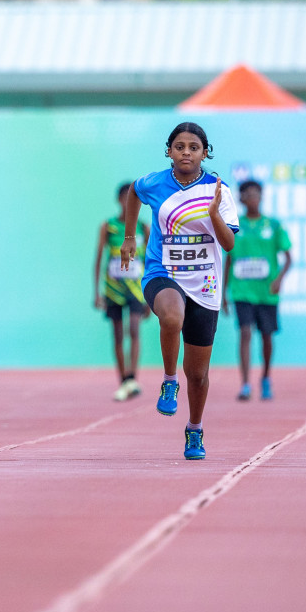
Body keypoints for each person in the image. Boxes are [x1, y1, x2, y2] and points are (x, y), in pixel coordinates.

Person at [119, 121, 238, 461]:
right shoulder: (155, 183)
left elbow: (228, 244)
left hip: (205, 285)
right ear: (169, 150)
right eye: (180, 146)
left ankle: (195, 429)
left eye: (194, 147)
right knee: (172, 315)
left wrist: (214, 214)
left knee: (198, 375)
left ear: (204, 153)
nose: (186, 152)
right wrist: (130, 237)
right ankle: (169, 379)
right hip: (163, 272)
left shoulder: (219, 190)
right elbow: (133, 192)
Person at [224, 179, 293, 402]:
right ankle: (245, 384)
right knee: (244, 333)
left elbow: (288, 258)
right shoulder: (234, 226)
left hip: (266, 292)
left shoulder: (273, 225)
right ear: (241, 198)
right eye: (247, 194)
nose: (252, 198)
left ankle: (265, 377)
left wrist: (279, 279)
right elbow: (228, 260)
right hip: (242, 291)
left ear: (262, 196)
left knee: (266, 336)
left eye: (256, 194)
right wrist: (223, 293)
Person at [95, 183, 150, 401]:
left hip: (136, 289)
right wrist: (97, 293)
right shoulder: (108, 227)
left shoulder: (143, 228)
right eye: (125, 198)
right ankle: (123, 380)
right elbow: (99, 259)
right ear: (118, 200)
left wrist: (150, 294)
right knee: (117, 333)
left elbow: (150, 260)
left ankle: (132, 377)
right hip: (113, 289)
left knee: (134, 329)